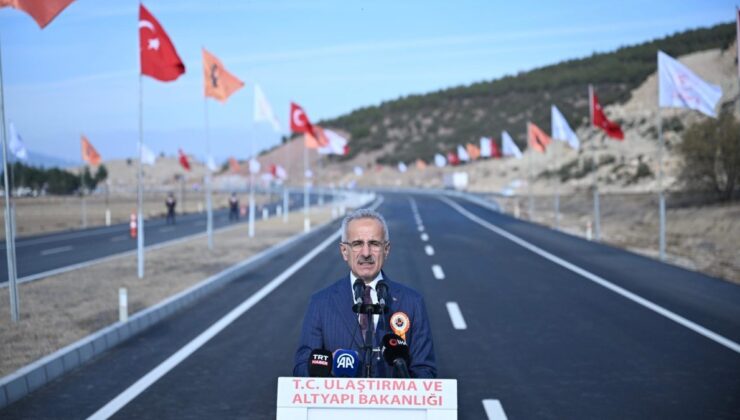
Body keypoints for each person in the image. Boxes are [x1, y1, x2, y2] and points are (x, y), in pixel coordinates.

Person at [293, 209, 437, 378]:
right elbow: (301, 370)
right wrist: (327, 367)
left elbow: (425, 371)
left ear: (387, 250)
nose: (366, 253)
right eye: (357, 244)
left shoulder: (412, 302)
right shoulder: (321, 303)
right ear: (344, 251)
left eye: (374, 244)